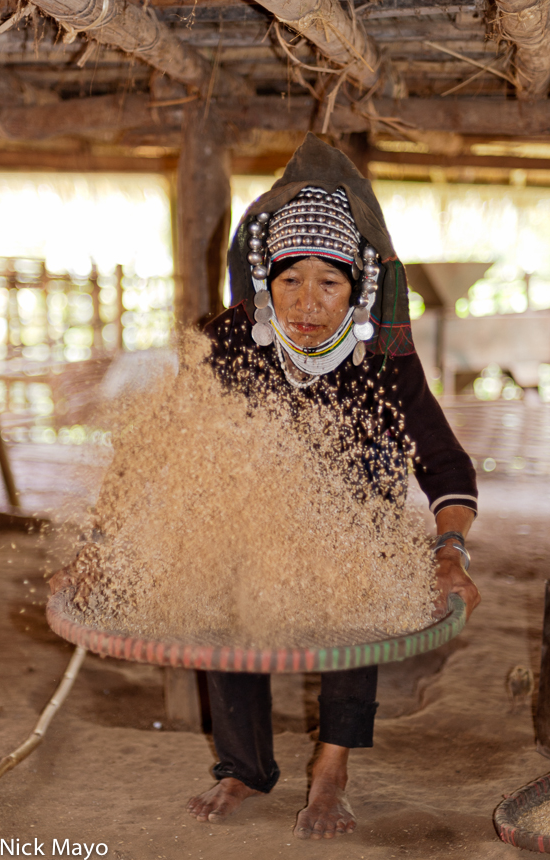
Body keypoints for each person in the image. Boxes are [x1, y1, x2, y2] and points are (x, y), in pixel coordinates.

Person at [185, 133, 481, 839]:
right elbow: (175, 458)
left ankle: (331, 768)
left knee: (359, 581)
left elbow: (445, 465)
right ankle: (243, 767)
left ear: (357, 287)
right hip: (252, 519)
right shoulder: (226, 347)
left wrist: (450, 551)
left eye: (329, 282)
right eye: (290, 280)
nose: (307, 303)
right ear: (266, 283)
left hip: (354, 526)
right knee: (217, 584)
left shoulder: (383, 359)